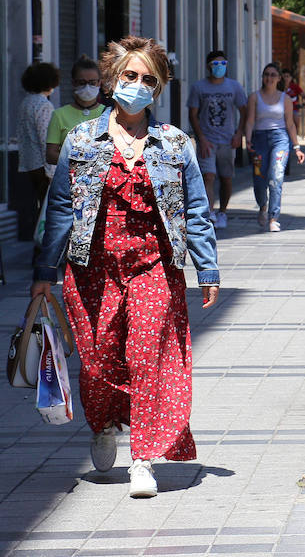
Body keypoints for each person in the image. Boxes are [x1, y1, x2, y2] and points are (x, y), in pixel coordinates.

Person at [31, 36, 219, 499]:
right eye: (130, 76)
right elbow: (59, 210)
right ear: (114, 79)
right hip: (92, 270)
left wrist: (207, 268)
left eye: (148, 79)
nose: (137, 85)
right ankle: (104, 424)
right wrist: (43, 273)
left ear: (159, 89)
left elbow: (196, 208)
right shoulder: (81, 140)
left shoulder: (175, 143)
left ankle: (143, 458)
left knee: (147, 356)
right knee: (97, 362)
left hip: (154, 266)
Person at [186, 50, 248, 229]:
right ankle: (210, 213)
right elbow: (193, 115)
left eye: (223, 64)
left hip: (228, 141)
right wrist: (202, 139)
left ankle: (223, 212)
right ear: (208, 67)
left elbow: (244, 111)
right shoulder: (199, 87)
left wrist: (239, 134)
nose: (219, 68)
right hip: (208, 141)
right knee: (208, 177)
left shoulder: (234, 87)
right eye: (215, 64)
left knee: (226, 178)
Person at [241, 62, 305, 232]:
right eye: (266, 74)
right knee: (259, 180)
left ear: (278, 78)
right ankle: (262, 207)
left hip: (280, 139)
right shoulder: (254, 97)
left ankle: (274, 218)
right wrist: (248, 140)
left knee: (276, 178)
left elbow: (290, 124)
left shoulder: (285, 99)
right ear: (263, 77)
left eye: (273, 75)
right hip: (259, 139)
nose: (269, 78)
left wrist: (297, 147)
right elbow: (250, 121)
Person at [18, 62, 59, 238]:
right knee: (47, 213)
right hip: (42, 167)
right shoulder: (43, 105)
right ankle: (42, 253)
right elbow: (46, 139)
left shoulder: (26, 103)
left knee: (38, 213)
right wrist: (51, 170)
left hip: (28, 163)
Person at [46, 55, 107, 167]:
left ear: (99, 83)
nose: (87, 87)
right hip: (68, 181)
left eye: (92, 82)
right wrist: (81, 161)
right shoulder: (59, 115)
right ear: (74, 83)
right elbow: (50, 155)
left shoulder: (109, 114)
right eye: (82, 82)